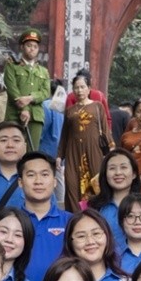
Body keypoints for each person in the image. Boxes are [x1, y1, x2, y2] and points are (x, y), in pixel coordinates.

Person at [57, 72, 112, 211]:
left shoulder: (97, 106)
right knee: (72, 186)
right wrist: (59, 156)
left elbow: (105, 130)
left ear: (89, 88)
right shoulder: (70, 110)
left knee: (96, 186)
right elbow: (64, 135)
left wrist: (111, 152)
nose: (79, 90)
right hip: (73, 153)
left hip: (93, 151)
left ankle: (96, 215)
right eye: (76, 87)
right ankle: (74, 217)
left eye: (82, 87)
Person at [17, 151, 72, 281]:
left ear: (54, 182)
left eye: (45, 175)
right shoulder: (11, 223)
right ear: (20, 182)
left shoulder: (71, 222)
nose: (38, 181)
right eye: (31, 175)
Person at [4, 29, 50, 149]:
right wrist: (24, 109)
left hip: (36, 117)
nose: (32, 49)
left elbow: (46, 92)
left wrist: (30, 98)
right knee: (12, 150)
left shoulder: (43, 71)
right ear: (22, 47)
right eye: (29, 45)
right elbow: (12, 90)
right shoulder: (12, 67)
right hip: (14, 115)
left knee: (31, 152)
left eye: (35, 46)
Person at [90, 148, 138, 237]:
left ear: (134, 174)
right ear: (105, 174)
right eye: (112, 168)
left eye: (123, 167)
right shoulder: (93, 207)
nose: (118, 173)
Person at [39, 79, 67, 158]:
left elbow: (44, 126)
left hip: (46, 145)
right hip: (60, 146)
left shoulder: (46, 105)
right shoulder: (64, 105)